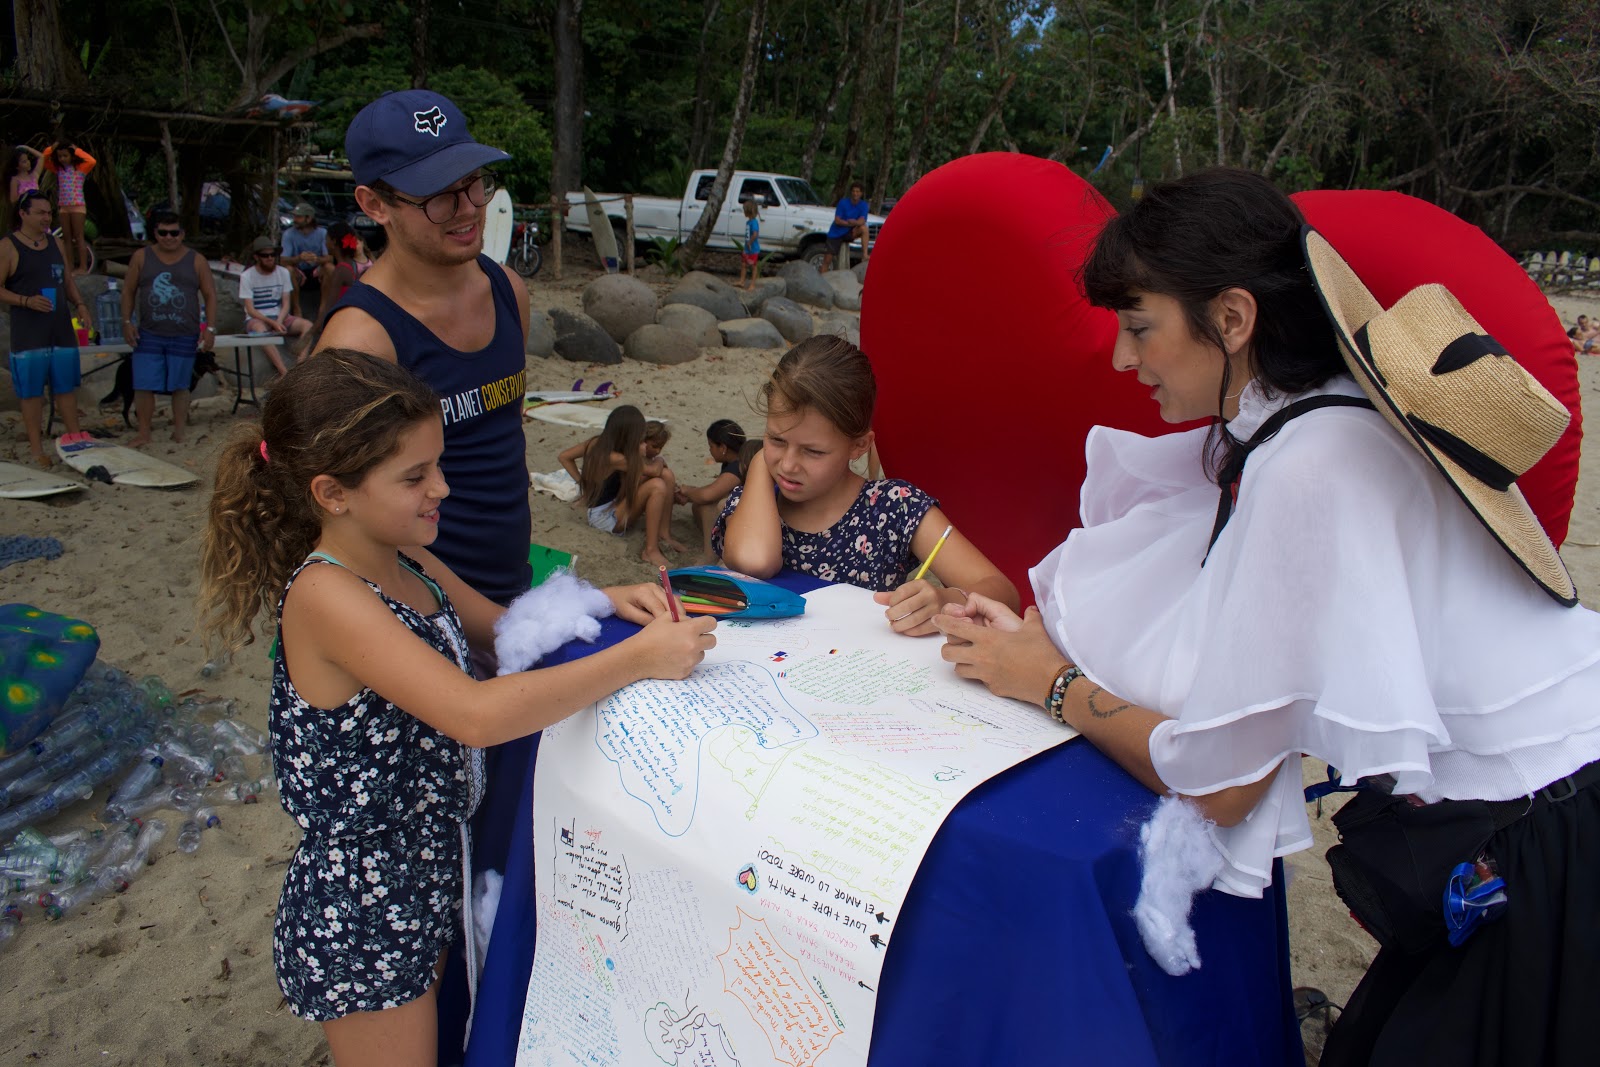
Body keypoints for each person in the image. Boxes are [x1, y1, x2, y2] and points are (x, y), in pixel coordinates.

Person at [936, 168, 1600, 1066]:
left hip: (1549, 837)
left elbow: (1219, 782)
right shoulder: (1308, 416)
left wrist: (1049, 683)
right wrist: (1038, 637)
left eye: (1140, 326)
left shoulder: (1308, 461)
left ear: (1234, 319)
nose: (1126, 358)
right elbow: (1195, 600)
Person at [196, 350, 714, 1067]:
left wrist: (599, 602)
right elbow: (473, 712)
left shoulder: (404, 555)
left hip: (429, 868)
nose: (441, 486)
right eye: (414, 476)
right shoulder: (326, 596)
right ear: (332, 491)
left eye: (436, 464)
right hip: (367, 903)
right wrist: (637, 657)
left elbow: (503, 635)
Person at [317, 89, 534, 612]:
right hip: (419, 606)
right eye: (438, 197)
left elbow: (503, 439)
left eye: (473, 184)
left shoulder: (507, 289)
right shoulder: (361, 341)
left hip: (509, 583)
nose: (466, 211)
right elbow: (343, 522)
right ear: (374, 205)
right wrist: (482, 620)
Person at [714, 336, 1018, 634]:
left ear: (859, 445)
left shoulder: (894, 506)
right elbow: (755, 561)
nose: (788, 465)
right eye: (776, 440)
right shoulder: (755, 501)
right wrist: (758, 465)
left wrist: (945, 600)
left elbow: (1003, 592)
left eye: (813, 451)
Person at [0, 190, 91, 465]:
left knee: (65, 388)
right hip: (29, 332)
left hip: (61, 327)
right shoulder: (8, 246)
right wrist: (25, 301)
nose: (46, 217)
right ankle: (37, 450)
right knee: (31, 393)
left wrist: (81, 305)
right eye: (40, 212)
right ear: (23, 214)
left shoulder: (56, 243)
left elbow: (67, 280)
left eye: (49, 212)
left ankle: (75, 440)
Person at [121, 210, 217, 446]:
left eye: (174, 233)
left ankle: (179, 431)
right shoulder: (141, 257)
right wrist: (126, 322)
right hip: (149, 332)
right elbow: (128, 291)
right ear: (155, 233)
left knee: (180, 385)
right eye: (163, 232)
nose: (169, 237)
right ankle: (144, 432)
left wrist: (211, 328)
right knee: (143, 383)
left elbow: (210, 294)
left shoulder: (196, 260)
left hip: (185, 332)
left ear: (182, 234)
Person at [559, 404, 685, 567]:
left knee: (667, 475)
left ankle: (664, 534)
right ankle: (650, 550)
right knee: (657, 485)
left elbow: (564, 456)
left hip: (612, 504)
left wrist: (583, 485)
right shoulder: (617, 458)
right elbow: (653, 471)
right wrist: (658, 459)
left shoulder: (597, 442)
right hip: (604, 518)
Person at [676, 418, 747, 562]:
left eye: (711, 446)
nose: (710, 450)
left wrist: (687, 491)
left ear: (723, 448)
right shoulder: (733, 462)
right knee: (699, 504)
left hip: (745, 522)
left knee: (707, 506)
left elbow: (708, 495)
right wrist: (690, 496)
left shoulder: (737, 467)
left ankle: (711, 555)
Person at [240, 235, 309, 378]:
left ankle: (300, 367)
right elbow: (250, 309)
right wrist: (272, 323)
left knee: (308, 326)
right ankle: (283, 372)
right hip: (258, 317)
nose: (270, 258)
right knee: (259, 329)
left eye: (273, 254)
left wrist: (279, 320)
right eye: (265, 255)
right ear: (257, 257)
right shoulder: (247, 276)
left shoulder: (282, 272)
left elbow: (286, 302)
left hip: (279, 315)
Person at [42, 142, 94, 276]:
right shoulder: (58, 169)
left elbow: (92, 161)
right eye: (59, 156)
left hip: (78, 207)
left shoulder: (81, 168)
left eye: (65, 155)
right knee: (67, 238)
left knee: (79, 237)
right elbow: (44, 159)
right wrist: (51, 148)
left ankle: (82, 267)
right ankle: (69, 266)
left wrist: (77, 150)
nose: (62, 159)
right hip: (63, 208)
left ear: (72, 155)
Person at [282, 202, 328, 320]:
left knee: (329, 267)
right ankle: (297, 308)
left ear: (308, 218)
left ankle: (323, 308)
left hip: (316, 270)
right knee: (288, 270)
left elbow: (330, 257)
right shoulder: (289, 234)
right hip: (299, 270)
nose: (295, 219)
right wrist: (298, 258)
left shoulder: (322, 233)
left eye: (299, 217)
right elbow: (282, 260)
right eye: (295, 216)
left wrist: (316, 259)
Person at [314, 221, 361, 333]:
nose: (325, 243)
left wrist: (309, 334)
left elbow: (329, 307)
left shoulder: (341, 270)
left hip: (345, 326)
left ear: (334, 241)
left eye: (327, 239)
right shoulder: (352, 264)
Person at [819, 182, 869, 273]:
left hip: (849, 232)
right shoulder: (843, 202)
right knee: (827, 260)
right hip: (836, 233)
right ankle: (822, 277)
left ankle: (865, 254)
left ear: (861, 193)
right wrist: (849, 224)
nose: (855, 193)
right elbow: (837, 220)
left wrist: (855, 222)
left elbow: (862, 220)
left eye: (858, 191)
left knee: (864, 228)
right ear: (851, 192)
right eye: (853, 191)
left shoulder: (864, 205)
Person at [7, 145, 43, 223]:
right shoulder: (15, 180)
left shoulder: (34, 176)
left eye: (28, 160)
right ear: (17, 166)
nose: (28, 163)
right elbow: (13, 200)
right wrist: (25, 193)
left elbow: (41, 157)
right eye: (24, 161)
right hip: (26, 213)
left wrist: (26, 148)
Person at [737, 199, 761, 290]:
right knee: (744, 264)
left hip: (753, 248)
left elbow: (755, 234)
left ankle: (753, 284)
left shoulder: (754, 222)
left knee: (753, 266)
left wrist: (750, 243)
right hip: (747, 248)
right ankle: (742, 281)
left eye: (744, 210)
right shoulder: (748, 222)